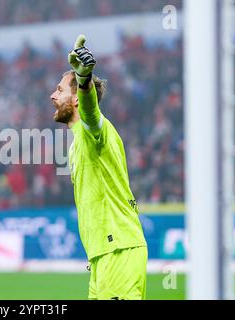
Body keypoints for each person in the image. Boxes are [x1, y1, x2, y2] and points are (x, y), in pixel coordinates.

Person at [50, 35, 148, 300]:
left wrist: (83, 80)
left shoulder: (93, 130)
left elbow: (91, 113)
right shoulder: (77, 142)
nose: (52, 95)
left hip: (118, 251)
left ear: (77, 100)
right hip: (101, 257)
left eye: (59, 90)